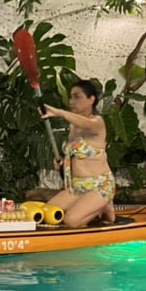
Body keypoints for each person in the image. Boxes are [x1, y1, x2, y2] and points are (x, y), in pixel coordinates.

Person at [41, 79, 116, 228]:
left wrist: (59, 112)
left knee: (71, 221)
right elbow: (77, 155)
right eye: (70, 97)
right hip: (76, 187)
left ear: (91, 99)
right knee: (48, 214)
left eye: (77, 97)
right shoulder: (73, 126)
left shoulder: (97, 122)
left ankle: (104, 204)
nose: (71, 101)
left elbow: (85, 123)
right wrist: (62, 163)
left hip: (99, 186)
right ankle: (94, 206)